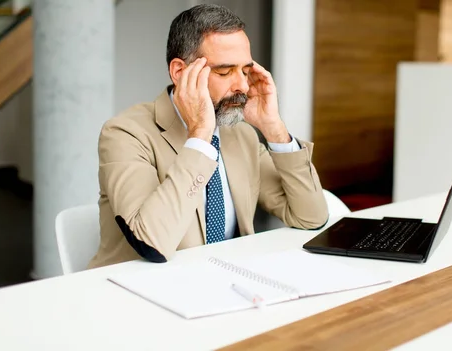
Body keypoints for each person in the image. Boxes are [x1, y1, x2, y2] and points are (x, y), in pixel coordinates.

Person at [87, 4, 328, 269]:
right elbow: (151, 243)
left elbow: (311, 217)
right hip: (143, 292)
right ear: (180, 72)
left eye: (246, 71)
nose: (243, 86)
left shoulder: (241, 135)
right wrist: (200, 135)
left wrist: (274, 129)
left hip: (227, 283)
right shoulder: (124, 133)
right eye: (225, 72)